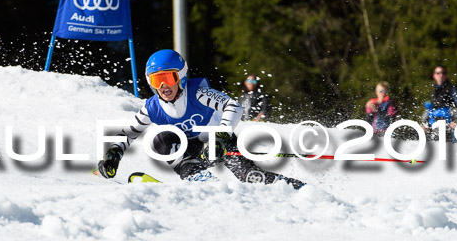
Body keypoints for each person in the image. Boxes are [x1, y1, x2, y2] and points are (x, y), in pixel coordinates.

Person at [97, 50, 304, 189]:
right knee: (161, 139)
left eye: (168, 78)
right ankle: (198, 178)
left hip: (220, 141)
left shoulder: (198, 93)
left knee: (250, 177)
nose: (163, 87)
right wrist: (114, 153)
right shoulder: (152, 107)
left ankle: (296, 188)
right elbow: (129, 133)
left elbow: (233, 106)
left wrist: (221, 137)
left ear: (181, 76)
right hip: (190, 150)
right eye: (156, 80)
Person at [422, 65, 457, 129]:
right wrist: (424, 124)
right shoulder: (433, 91)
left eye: (443, 73)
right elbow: (429, 109)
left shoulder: (452, 89)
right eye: (438, 73)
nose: (441, 75)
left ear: (446, 75)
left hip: (449, 124)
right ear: (434, 76)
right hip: (434, 124)